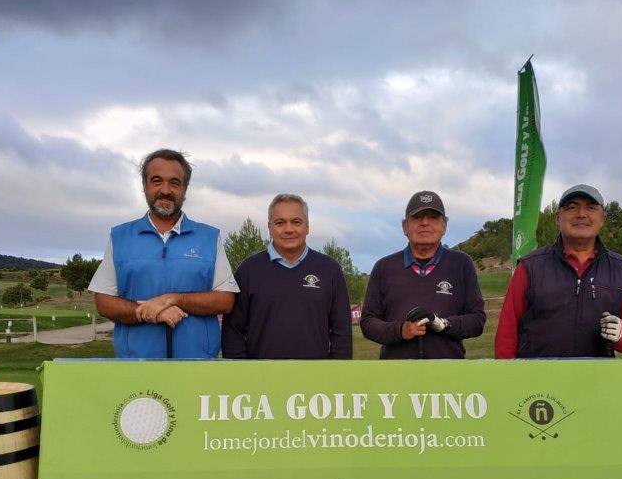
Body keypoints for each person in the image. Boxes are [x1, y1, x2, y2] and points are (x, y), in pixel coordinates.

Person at [88, 148, 238, 359]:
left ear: (185, 189)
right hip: (137, 364)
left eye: (174, 183)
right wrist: (152, 312)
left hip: (197, 364)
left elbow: (225, 300)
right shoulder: (120, 236)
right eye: (157, 181)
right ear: (145, 185)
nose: (165, 190)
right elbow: (103, 301)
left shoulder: (209, 237)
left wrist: (173, 299)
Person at [494, 184, 622, 359]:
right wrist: (507, 376)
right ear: (558, 218)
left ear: (602, 218)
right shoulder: (530, 266)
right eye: (572, 207)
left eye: (591, 207)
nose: (581, 214)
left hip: (597, 379)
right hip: (537, 380)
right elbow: (507, 329)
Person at [222, 194, 352, 359]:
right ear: (270, 227)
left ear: (307, 227)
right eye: (280, 223)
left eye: (296, 222)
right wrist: (243, 372)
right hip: (261, 379)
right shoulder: (248, 270)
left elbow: (342, 331)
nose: (289, 229)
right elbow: (233, 331)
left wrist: (337, 373)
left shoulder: (330, 270)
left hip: (316, 378)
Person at [360, 191, 486, 359]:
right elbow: (368, 322)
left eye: (433, 217)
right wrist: (401, 330)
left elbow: (477, 320)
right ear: (405, 227)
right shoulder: (384, 267)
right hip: (396, 374)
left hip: (449, 373)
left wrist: (444, 324)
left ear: (444, 226)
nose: (425, 223)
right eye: (417, 217)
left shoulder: (461, 264)